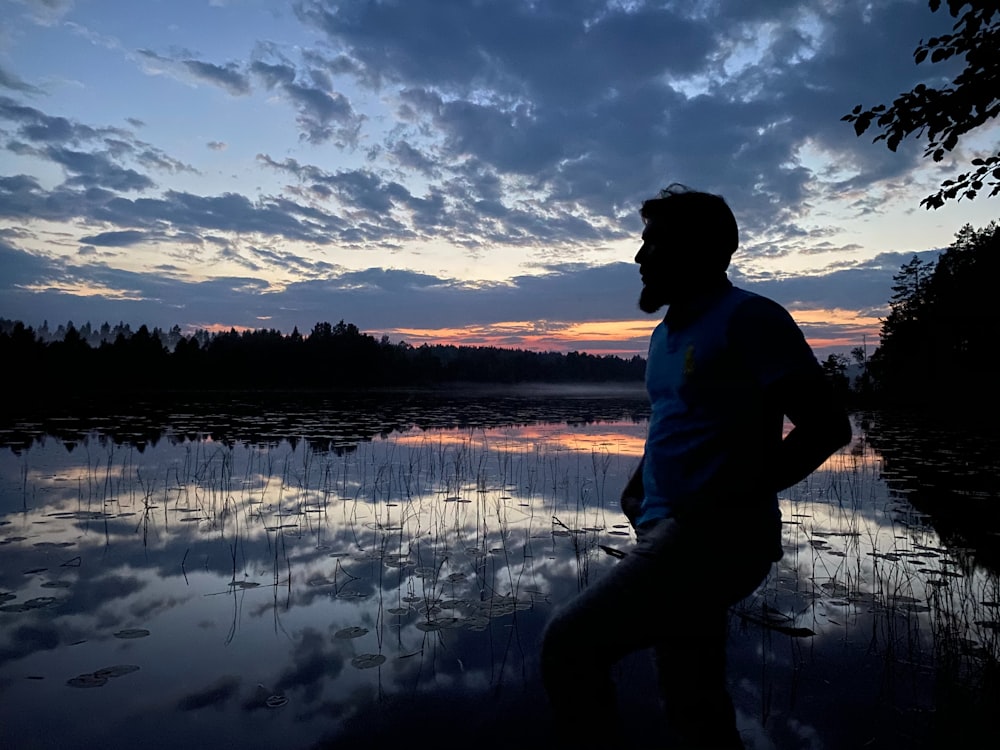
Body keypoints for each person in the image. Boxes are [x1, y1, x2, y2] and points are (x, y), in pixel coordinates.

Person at [540, 184, 852, 749]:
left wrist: (727, 501)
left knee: (570, 645)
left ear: (697, 251)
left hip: (714, 538)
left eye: (652, 244)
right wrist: (638, 491)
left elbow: (827, 427)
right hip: (666, 529)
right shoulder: (663, 337)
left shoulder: (751, 318)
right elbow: (676, 423)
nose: (639, 259)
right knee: (692, 694)